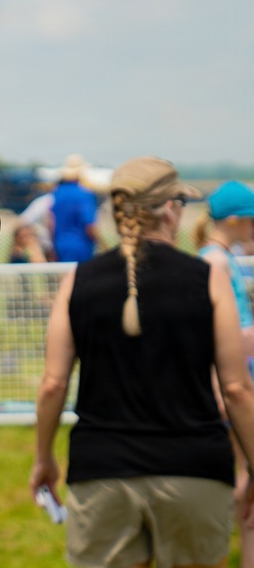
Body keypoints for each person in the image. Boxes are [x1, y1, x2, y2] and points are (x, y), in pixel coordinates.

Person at [30, 156, 254, 568]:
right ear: (170, 209)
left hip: (102, 472)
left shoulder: (78, 280)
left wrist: (44, 457)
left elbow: (53, 384)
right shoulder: (209, 278)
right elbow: (237, 389)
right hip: (194, 471)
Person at [195, 179, 254, 567]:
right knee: (246, 476)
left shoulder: (217, 257)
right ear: (234, 221)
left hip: (237, 376)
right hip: (235, 380)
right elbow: (216, 333)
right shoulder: (215, 261)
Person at [50, 153, 98, 263]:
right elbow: (89, 225)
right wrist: (99, 242)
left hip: (59, 244)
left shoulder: (57, 193)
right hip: (81, 246)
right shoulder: (84, 194)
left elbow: (51, 222)